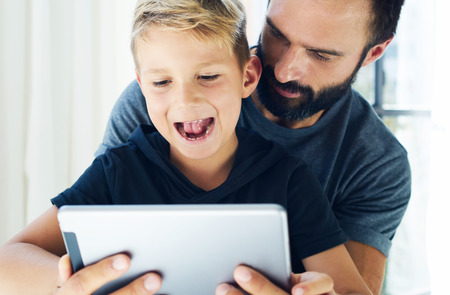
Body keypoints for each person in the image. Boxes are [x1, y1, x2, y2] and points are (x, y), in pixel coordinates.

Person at [0, 0, 372, 294]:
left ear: (248, 77)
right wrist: (67, 284)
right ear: (141, 87)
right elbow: (9, 261)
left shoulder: (288, 179)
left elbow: (352, 290)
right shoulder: (119, 170)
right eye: (161, 82)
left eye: (207, 76)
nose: (185, 99)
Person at [94, 0, 412, 294]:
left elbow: (348, 289)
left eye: (321, 55)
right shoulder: (161, 104)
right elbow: (86, 237)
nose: (285, 70)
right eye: (277, 34)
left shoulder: (378, 164)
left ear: (373, 52)